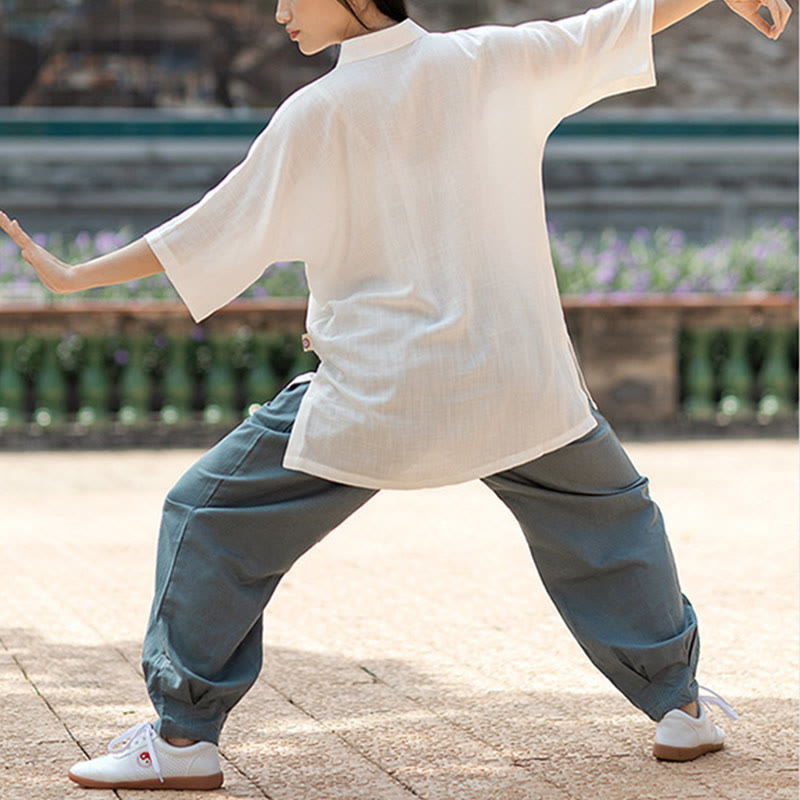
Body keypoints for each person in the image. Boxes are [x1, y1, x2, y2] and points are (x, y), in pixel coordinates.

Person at [0, 0, 790, 790]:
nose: (279, 11)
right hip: (519, 385)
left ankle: (181, 740)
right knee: (614, 520)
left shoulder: (317, 112)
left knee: (207, 514)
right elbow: (622, 22)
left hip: (378, 399)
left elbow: (212, 231)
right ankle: (679, 706)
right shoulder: (493, 61)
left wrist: (75, 276)